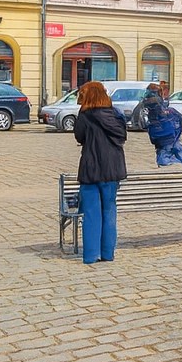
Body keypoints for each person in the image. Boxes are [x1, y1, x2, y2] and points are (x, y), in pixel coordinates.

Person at [74, 80, 127, 264]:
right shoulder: (115, 115)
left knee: (91, 213)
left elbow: (79, 136)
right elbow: (122, 136)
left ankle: (90, 255)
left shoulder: (85, 115)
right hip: (113, 169)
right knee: (109, 211)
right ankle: (107, 253)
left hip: (91, 168)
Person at [142, 83, 182, 167]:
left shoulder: (147, 103)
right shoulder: (158, 103)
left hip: (159, 135)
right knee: (170, 153)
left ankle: (179, 166)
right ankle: (180, 166)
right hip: (167, 133)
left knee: (168, 151)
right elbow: (179, 118)